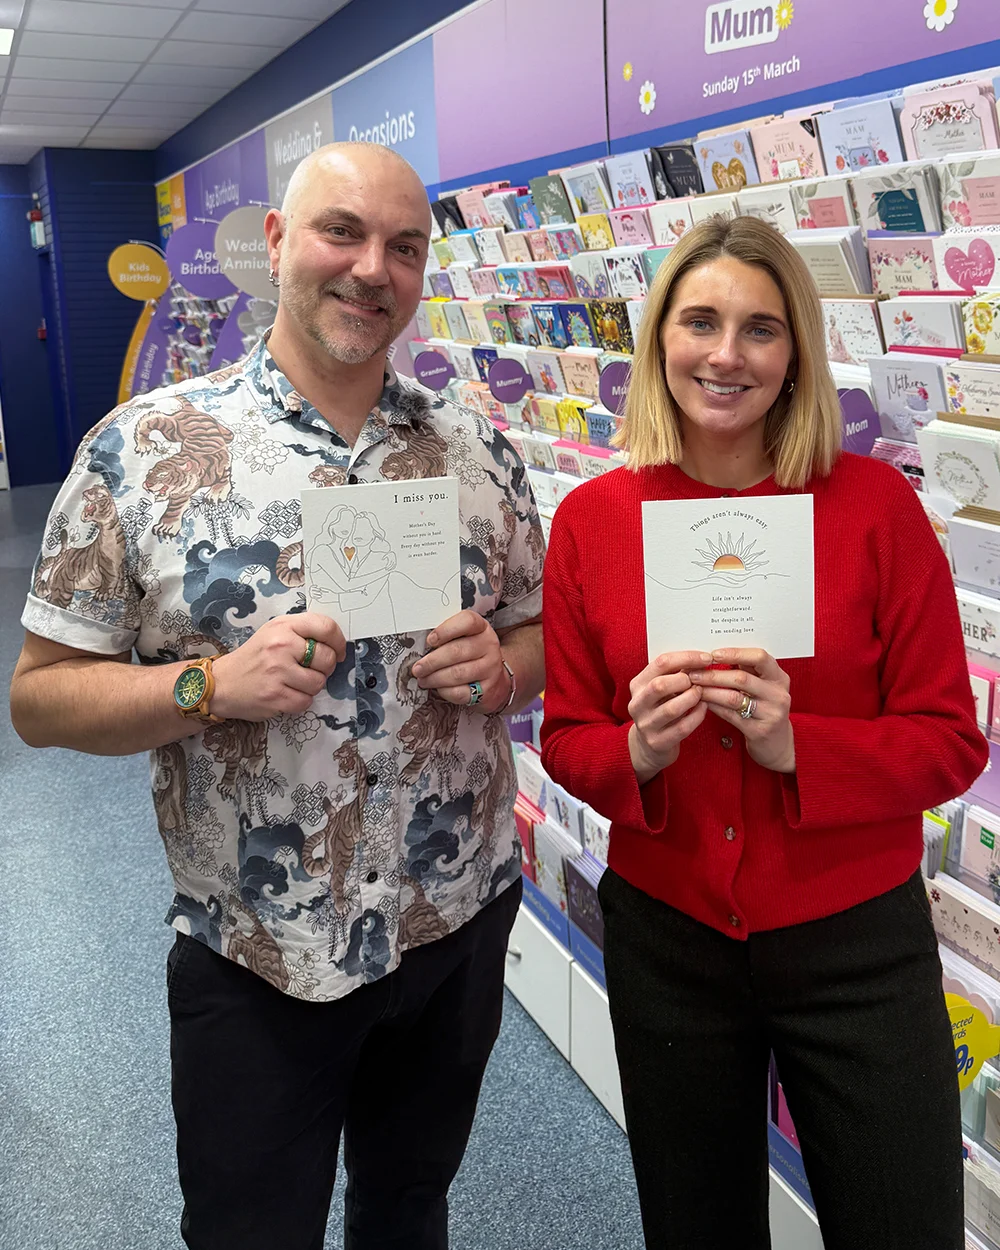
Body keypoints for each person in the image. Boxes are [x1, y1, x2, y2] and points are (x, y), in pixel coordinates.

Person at [10, 142, 545, 1250]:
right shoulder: (144, 452)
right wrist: (209, 683)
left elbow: (531, 634)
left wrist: (501, 672)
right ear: (275, 246)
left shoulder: (478, 450)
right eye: (340, 232)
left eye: (403, 247)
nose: (371, 271)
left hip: (450, 918)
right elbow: (41, 699)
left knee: (409, 1206)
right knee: (251, 1228)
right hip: (256, 946)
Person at [540, 215, 987, 1250]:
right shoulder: (594, 522)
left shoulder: (874, 506)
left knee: (900, 1221)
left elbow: (949, 741)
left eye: (760, 328)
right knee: (693, 1227)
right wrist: (636, 748)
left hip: (855, 942)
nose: (725, 353)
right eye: (699, 321)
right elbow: (567, 738)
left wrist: (803, 746)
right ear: (659, 340)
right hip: (669, 936)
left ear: (795, 356)